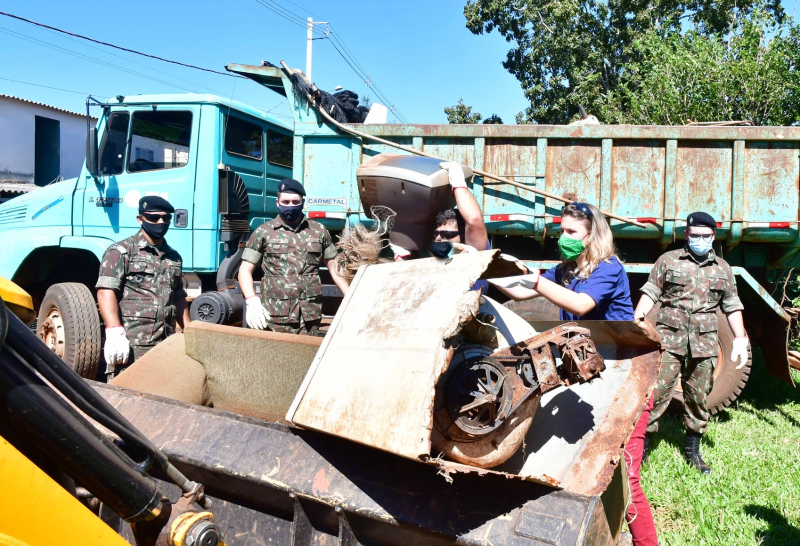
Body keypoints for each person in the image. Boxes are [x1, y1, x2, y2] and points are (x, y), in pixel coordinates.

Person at [489, 201, 657, 546]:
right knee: (581, 466)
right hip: (591, 375)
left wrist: (535, 280)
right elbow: (522, 291)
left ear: (591, 235)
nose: (562, 237)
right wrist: (492, 270)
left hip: (626, 377)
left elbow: (581, 305)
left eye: (571, 232)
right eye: (561, 230)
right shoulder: (567, 269)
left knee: (625, 472)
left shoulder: (608, 268)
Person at [634, 211, 748, 475]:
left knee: (698, 397)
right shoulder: (668, 260)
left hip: (705, 342)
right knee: (655, 394)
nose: (700, 240)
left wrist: (740, 338)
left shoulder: (723, 268)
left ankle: (692, 451)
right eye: (695, 235)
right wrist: (637, 319)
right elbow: (651, 291)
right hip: (669, 340)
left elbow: (731, 305)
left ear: (713, 236)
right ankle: (643, 449)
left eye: (705, 236)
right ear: (686, 234)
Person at [238, 178, 350, 335]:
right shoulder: (264, 232)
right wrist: (251, 299)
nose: (290, 206)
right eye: (286, 201)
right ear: (278, 203)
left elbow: (334, 266)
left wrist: (349, 296)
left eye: (295, 201)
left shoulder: (318, 231)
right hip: (276, 315)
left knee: (308, 356)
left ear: (302, 202)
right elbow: (245, 270)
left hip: (310, 313)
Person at [97, 196, 190, 378]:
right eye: (154, 218)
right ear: (140, 219)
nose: (161, 222)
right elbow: (106, 291)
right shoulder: (121, 251)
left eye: (166, 218)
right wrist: (114, 331)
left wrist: (190, 332)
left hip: (165, 344)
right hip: (132, 344)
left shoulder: (174, 257)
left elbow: (178, 297)